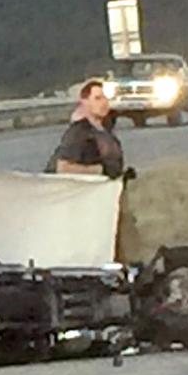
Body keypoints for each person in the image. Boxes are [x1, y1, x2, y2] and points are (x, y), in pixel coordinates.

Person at [46, 79, 141, 262]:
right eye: (97, 98)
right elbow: (63, 167)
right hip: (91, 203)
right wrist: (100, 171)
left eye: (104, 97)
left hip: (110, 197)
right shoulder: (79, 133)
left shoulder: (104, 130)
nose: (103, 102)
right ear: (85, 102)